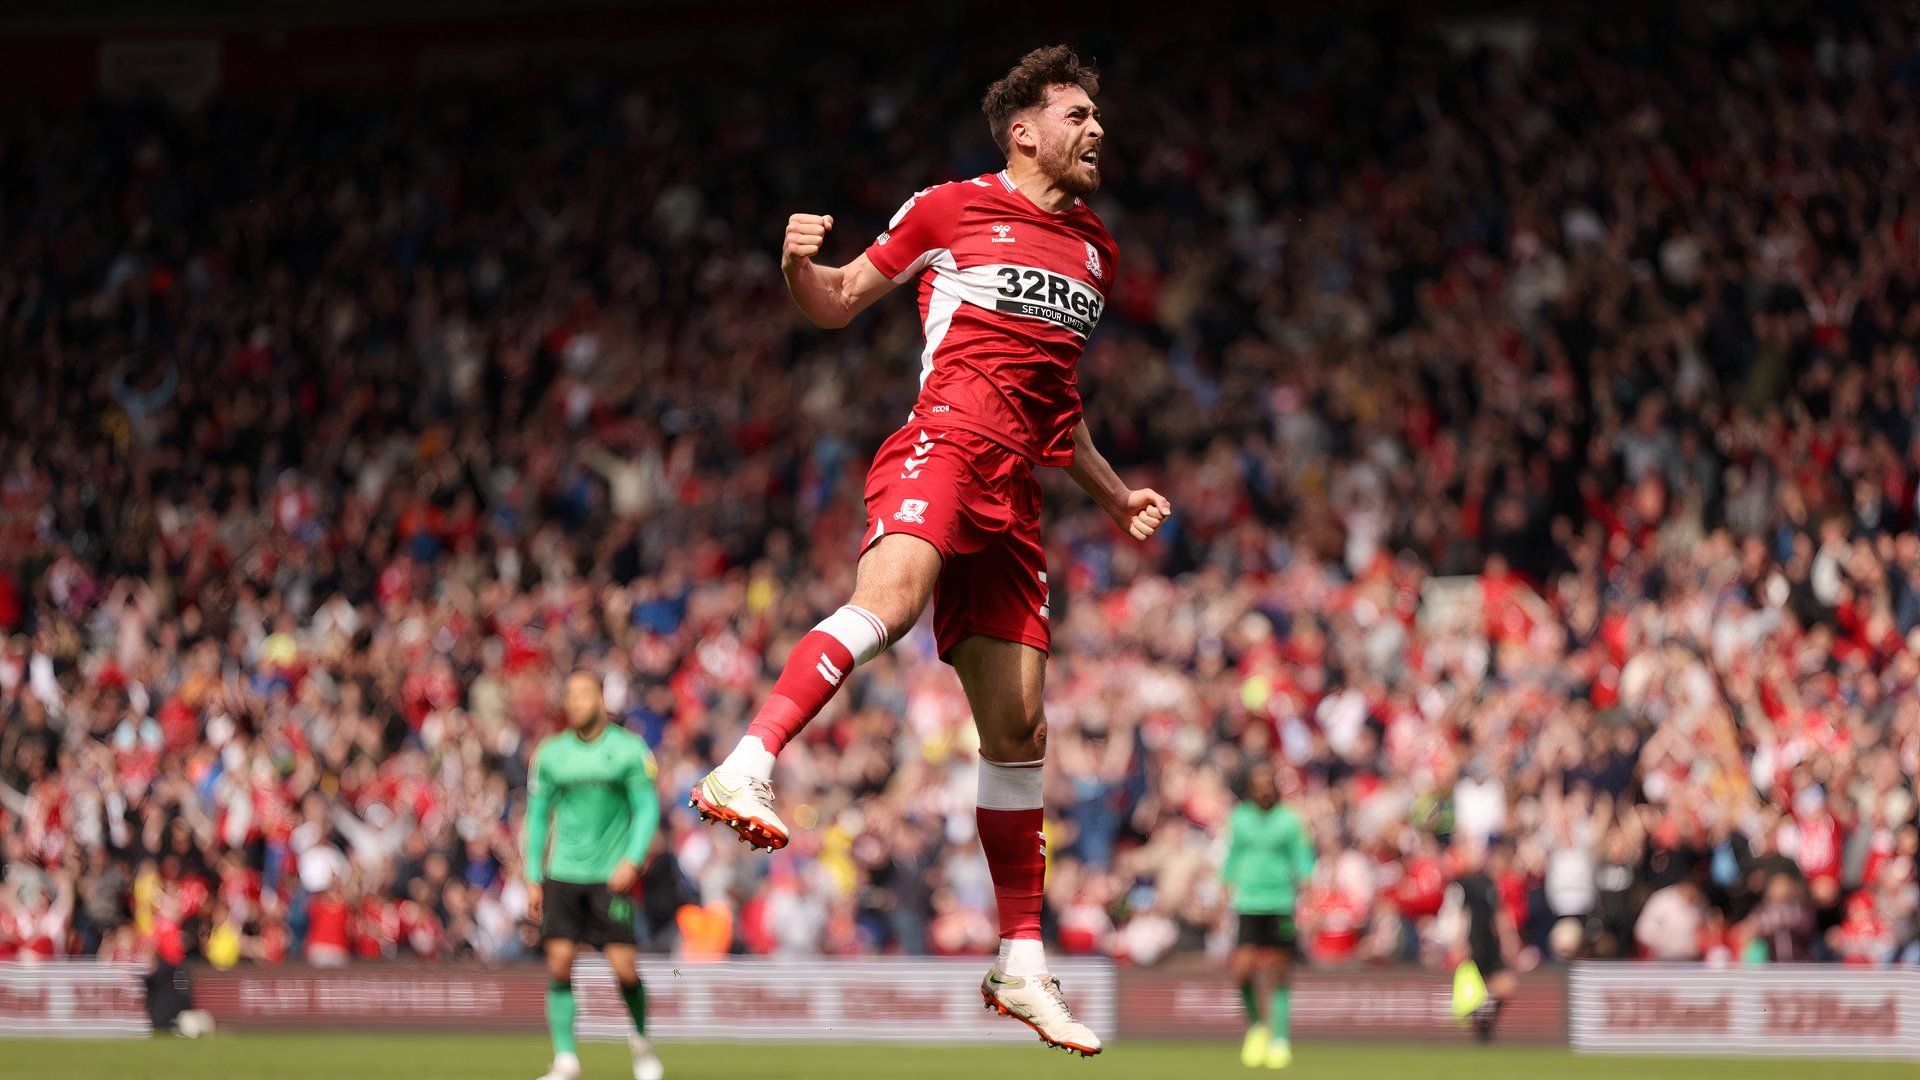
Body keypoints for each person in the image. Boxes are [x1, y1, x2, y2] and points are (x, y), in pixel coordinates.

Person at [690, 44, 1170, 1056]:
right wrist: (793, 267)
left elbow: (1059, 409)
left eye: (1096, 116)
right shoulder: (948, 207)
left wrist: (1117, 494)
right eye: (1075, 115)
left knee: (1021, 729)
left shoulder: (1096, 252)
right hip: (942, 443)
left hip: (1019, 495)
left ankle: (1023, 963)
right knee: (895, 598)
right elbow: (837, 300)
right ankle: (747, 760)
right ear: (1023, 130)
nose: (1095, 130)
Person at [525, 670, 664, 1080]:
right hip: (562, 873)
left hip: (610, 875)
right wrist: (534, 874)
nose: (575, 702)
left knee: (623, 967)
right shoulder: (550, 754)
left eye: (583, 694)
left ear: (601, 699)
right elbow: (536, 817)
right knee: (559, 962)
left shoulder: (628, 750)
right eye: (569, 695)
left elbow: (647, 808)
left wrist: (632, 859)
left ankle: (640, 1042)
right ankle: (566, 1059)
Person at [1220, 762, 1316, 1070]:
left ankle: (1280, 1039)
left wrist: (1309, 887)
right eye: (1257, 785)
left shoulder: (1288, 821)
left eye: (1267, 784)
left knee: (1279, 971)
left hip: (1279, 902)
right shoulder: (1240, 818)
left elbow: (1302, 859)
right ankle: (1257, 1026)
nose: (1263, 791)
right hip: (1248, 902)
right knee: (1242, 969)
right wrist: (1224, 884)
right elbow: (1233, 854)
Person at [1449, 842, 1520, 1043]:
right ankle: (1477, 1020)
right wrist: (1459, 942)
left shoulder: (1489, 883)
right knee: (1472, 991)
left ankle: (1484, 1021)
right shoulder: (1462, 884)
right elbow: (1459, 915)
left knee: (1507, 986)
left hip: (1490, 944)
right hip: (1473, 944)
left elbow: (1498, 913)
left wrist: (1508, 937)